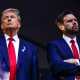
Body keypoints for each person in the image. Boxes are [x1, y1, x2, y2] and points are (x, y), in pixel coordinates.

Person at [0, 8, 39, 80]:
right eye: (5, 18)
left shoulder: (31, 48)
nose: (9, 19)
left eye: (12, 17)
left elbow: (34, 75)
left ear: (19, 24)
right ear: (2, 26)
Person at [47, 11, 80, 80]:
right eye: (70, 21)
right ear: (61, 27)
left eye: (75, 20)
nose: (74, 22)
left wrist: (76, 61)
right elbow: (57, 67)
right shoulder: (53, 45)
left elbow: (62, 66)